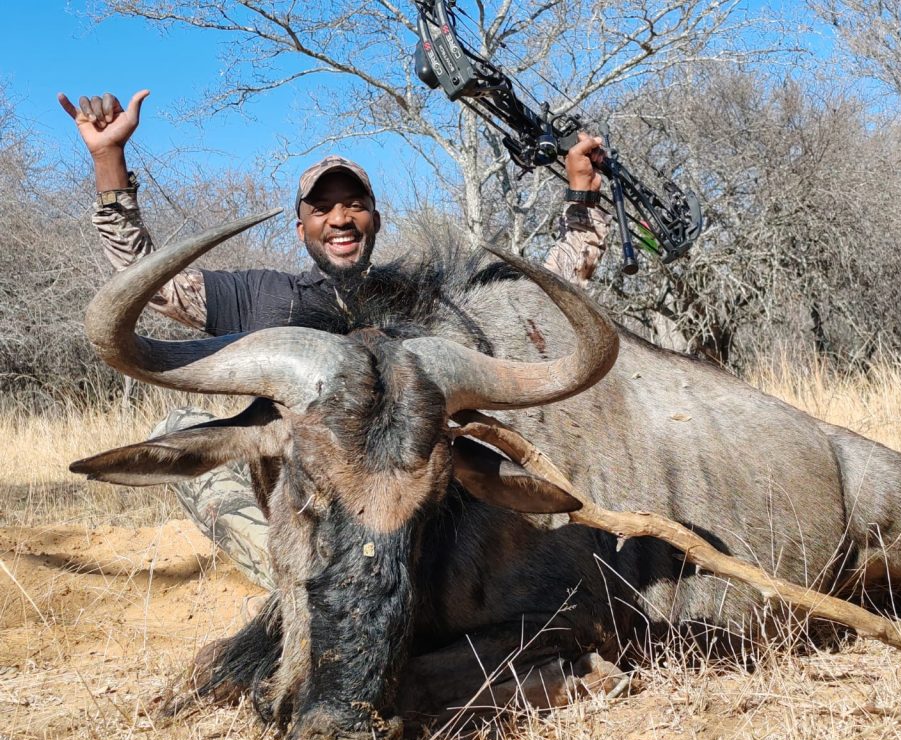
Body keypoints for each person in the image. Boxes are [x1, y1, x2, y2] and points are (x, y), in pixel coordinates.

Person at [61, 88, 611, 588]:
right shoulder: (259, 296)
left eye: (355, 205)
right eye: (321, 208)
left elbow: (546, 289)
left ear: (375, 219)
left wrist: (582, 193)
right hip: (300, 508)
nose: (340, 218)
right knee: (178, 428)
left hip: (407, 515)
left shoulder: (424, 296)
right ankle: (295, 579)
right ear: (300, 228)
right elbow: (152, 288)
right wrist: (109, 161)